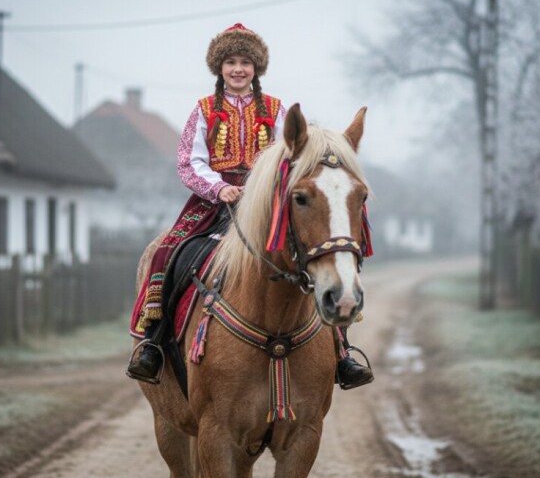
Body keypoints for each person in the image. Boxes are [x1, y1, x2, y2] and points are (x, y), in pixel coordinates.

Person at [126, 23, 373, 390]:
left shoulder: (277, 110)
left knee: (304, 257)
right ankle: (154, 346)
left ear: (256, 67)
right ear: (219, 68)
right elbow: (188, 162)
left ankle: (340, 352)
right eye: (230, 62)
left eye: (245, 62)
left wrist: (261, 189)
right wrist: (218, 188)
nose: (238, 69)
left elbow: (291, 159)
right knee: (166, 253)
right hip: (214, 202)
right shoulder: (204, 110)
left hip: (265, 202)